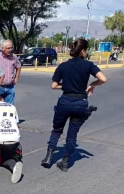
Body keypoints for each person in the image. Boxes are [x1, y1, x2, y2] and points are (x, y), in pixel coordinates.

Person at [41, 39, 107, 172]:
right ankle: (65, 162)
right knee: (72, 136)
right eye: (87, 50)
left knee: (57, 130)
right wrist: (92, 85)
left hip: (65, 101)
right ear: (83, 51)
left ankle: (48, 157)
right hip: (80, 103)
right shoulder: (88, 65)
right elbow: (103, 79)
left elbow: (53, 86)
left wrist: (66, 86)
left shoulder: (63, 66)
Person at [0, 40, 21, 105]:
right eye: (8, 48)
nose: (10, 50)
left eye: (11, 48)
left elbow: (18, 67)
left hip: (10, 88)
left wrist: (16, 78)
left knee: (9, 108)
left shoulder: (14, 57)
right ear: (2, 49)